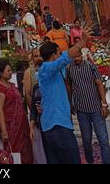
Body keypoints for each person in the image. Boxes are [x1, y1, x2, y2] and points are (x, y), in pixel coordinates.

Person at [38, 30, 91, 164]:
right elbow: (65, 58)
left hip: (56, 124)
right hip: (56, 124)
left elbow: (67, 61)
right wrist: (82, 43)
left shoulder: (56, 71)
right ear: (53, 56)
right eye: (59, 53)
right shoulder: (45, 69)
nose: (61, 56)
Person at [66, 52, 110, 164]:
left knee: (103, 140)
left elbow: (100, 84)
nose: (76, 58)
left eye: (78, 56)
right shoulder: (69, 68)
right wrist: (70, 103)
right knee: (86, 141)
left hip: (96, 108)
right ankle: (90, 161)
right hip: (81, 110)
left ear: (82, 55)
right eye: (74, 57)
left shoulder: (91, 66)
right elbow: (69, 86)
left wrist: (104, 104)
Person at [0, 60, 33, 164]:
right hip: (11, 126)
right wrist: (4, 130)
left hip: (22, 124)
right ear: (1, 73)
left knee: (26, 149)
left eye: (11, 70)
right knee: (14, 151)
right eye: (8, 70)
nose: (11, 72)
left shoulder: (11, 85)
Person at [23, 48, 46, 164]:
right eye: (35, 56)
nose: (38, 58)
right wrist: (34, 112)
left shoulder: (46, 69)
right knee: (39, 142)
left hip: (48, 109)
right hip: (36, 111)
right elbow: (27, 94)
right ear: (32, 58)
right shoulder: (29, 72)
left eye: (40, 56)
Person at [29, 84, 47, 164]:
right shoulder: (36, 87)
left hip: (52, 125)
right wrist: (31, 128)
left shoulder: (54, 85)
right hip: (39, 124)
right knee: (41, 154)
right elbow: (33, 109)